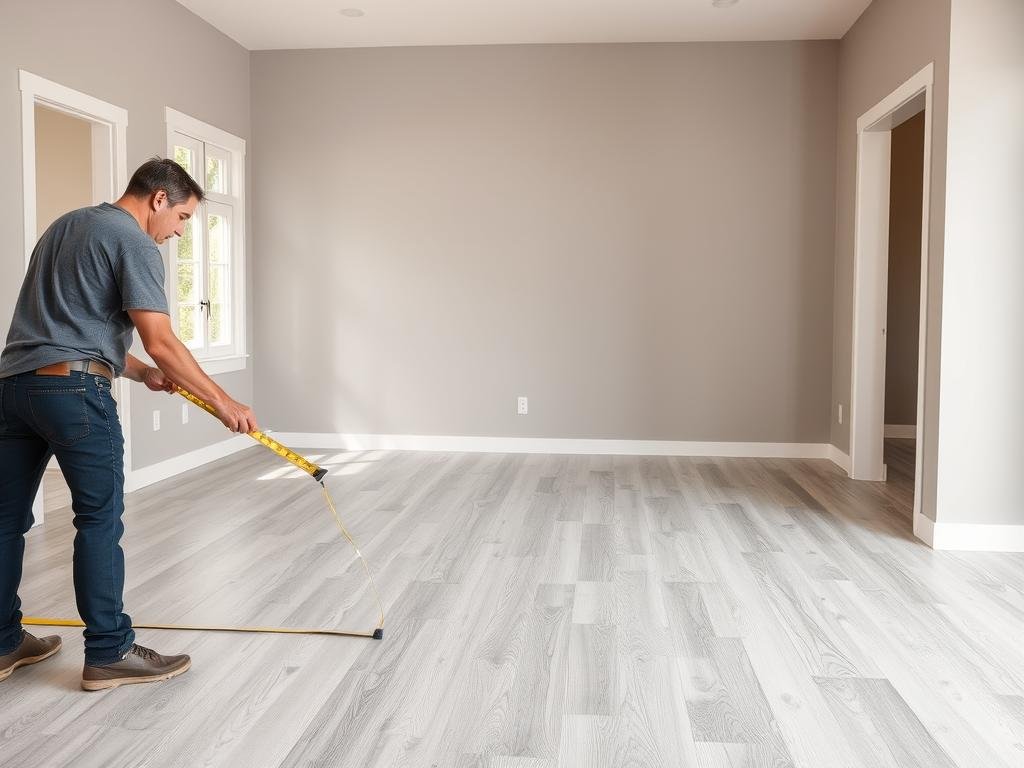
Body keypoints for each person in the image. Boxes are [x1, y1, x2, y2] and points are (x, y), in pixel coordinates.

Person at [0, 158, 257, 690]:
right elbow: (161, 339)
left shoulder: (65, 227)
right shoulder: (133, 240)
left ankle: (3, 642)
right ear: (159, 199)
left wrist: (140, 375)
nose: (179, 232)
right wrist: (226, 402)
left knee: (4, 522)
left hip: (15, 389)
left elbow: (68, 328)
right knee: (99, 520)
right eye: (183, 218)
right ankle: (109, 652)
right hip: (75, 396)